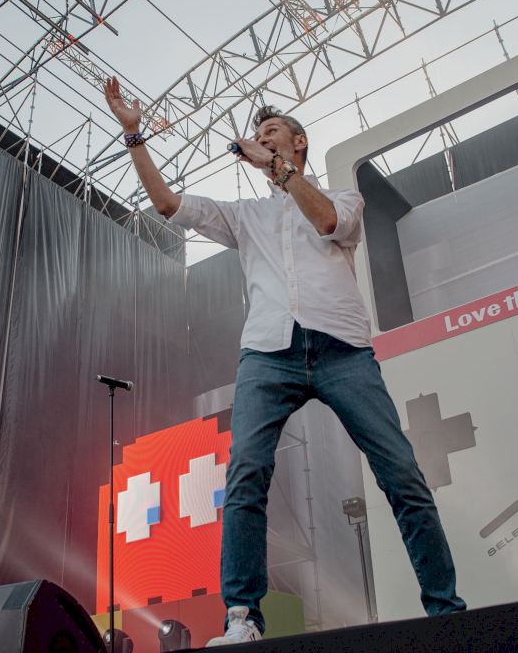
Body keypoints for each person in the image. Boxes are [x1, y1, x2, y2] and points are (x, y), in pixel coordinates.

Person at [103, 77, 466, 646]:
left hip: (343, 351)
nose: (262, 136)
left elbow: (328, 224)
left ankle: (446, 611)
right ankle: (242, 618)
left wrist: (276, 168)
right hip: (268, 355)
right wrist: (134, 136)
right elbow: (168, 205)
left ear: (299, 143)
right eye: (259, 133)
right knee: (246, 474)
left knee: (402, 475)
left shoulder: (343, 198)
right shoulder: (246, 215)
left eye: (273, 130)